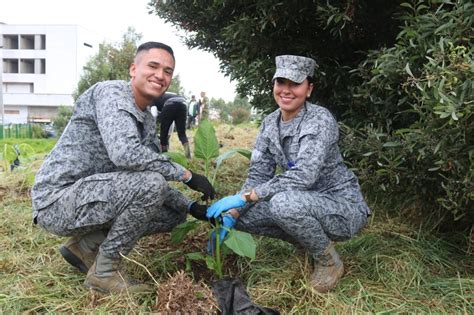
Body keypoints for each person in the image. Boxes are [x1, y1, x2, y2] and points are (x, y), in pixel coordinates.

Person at [31, 42, 215, 294]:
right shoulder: (110, 94)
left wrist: (191, 207)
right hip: (57, 201)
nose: (160, 75)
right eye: (153, 66)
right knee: (152, 184)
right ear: (133, 69)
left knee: (173, 213)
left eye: (168, 71)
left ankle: (84, 247)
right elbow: (126, 155)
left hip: (91, 198)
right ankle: (104, 274)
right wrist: (187, 175)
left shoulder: (147, 120)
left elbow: (147, 178)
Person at [206, 55, 371, 293]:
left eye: (295, 84)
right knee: (238, 215)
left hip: (341, 207)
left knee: (281, 203)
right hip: (300, 203)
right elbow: (258, 175)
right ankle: (308, 242)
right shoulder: (269, 124)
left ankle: (329, 261)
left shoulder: (319, 119)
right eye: (280, 82)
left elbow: (305, 175)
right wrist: (233, 212)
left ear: (309, 89)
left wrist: (248, 197)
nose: (286, 90)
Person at [153, 92, 191, 158]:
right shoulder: (167, 94)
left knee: (163, 133)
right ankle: (188, 156)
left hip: (170, 104)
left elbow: (154, 115)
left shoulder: (154, 99)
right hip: (183, 103)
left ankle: (164, 155)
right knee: (182, 133)